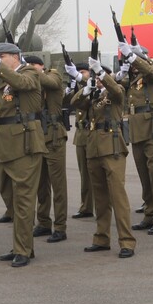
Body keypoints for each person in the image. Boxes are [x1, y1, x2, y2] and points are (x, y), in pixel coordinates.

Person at [0, 42, 47, 267]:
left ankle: (23, 249)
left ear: (16, 57)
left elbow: (22, 84)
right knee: (10, 198)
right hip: (5, 145)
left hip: (24, 143)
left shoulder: (29, 72)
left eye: (2, 55)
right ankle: (22, 244)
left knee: (24, 200)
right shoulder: (1, 76)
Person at [67, 57, 135, 258]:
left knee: (118, 196)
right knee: (100, 197)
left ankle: (127, 241)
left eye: (99, 76)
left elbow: (116, 90)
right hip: (93, 148)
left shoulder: (115, 91)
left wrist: (104, 76)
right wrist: (86, 89)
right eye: (95, 77)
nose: (97, 80)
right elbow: (74, 103)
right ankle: (102, 238)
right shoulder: (93, 95)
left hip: (112, 148)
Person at [121, 44, 153, 236]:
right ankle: (150, 213)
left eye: (134, 60)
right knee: (144, 175)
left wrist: (135, 59)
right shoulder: (132, 78)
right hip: (137, 130)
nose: (132, 64)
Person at [30, 55, 69, 244]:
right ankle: (44, 221)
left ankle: (60, 227)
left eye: (33, 65)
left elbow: (49, 82)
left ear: (42, 66)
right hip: (39, 137)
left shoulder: (53, 75)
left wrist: (29, 70)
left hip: (54, 136)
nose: (30, 68)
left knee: (58, 184)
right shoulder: (32, 81)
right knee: (40, 184)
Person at [69, 61, 95, 221]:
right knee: (84, 174)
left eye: (83, 72)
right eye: (78, 72)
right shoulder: (78, 88)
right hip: (80, 134)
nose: (81, 75)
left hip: (93, 134)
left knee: (96, 173)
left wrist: (81, 79)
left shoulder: (93, 86)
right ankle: (86, 206)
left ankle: (100, 205)